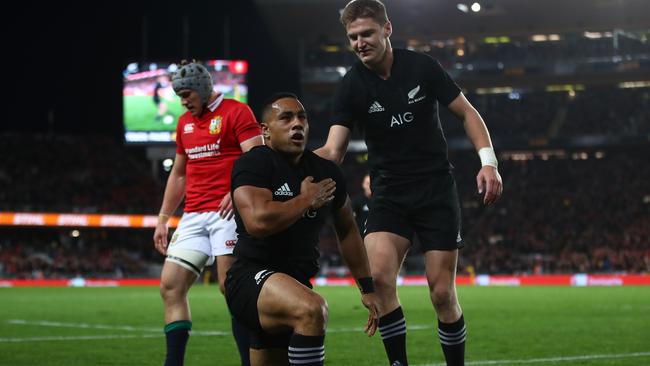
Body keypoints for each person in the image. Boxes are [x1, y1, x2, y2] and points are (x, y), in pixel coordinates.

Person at [315, 1, 504, 365]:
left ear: (387, 29)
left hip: (435, 191)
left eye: (366, 33)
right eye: (352, 37)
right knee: (381, 280)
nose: (359, 42)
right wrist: (286, 160)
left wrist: (489, 163)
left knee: (441, 294)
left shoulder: (422, 66)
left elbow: (467, 112)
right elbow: (334, 150)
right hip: (389, 194)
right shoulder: (351, 85)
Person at [225, 93, 380, 366]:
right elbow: (258, 222)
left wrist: (367, 287)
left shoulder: (325, 171)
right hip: (251, 278)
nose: (297, 124)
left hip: (294, 282)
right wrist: (306, 200)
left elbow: (347, 230)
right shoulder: (255, 163)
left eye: (302, 118)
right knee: (312, 310)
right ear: (265, 132)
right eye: (285, 118)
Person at [153, 60, 263, 366]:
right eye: (180, 96)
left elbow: (258, 159)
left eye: (186, 94)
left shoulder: (237, 112)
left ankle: (249, 362)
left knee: (232, 289)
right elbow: (178, 174)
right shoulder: (184, 123)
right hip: (193, 215)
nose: (183, 101)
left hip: (228, 213)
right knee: (171, 286)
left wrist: (237, 191)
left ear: (202, 88)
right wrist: (163, 219)